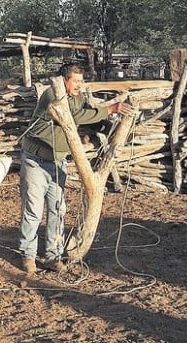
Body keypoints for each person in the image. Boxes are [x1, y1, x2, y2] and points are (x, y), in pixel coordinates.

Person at [17, 63, 131, 274]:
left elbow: (83, 115)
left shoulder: (77, 97)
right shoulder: (53, 94)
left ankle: (53, 255)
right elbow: (73, 117)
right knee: (33, 210)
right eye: (76, 81)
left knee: (58, 209)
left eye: (81, 81)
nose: (80, 85)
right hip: (35, 160)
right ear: (65, 80)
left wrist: (107, 121)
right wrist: (109, 109)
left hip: (58, 160)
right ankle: (28, 255)